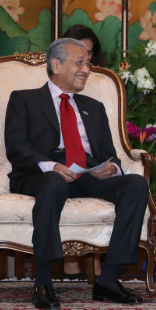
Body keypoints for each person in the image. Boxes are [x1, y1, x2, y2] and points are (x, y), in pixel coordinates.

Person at [5, 37, 148, 309]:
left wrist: (111, 167)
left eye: (88, 63)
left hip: (87, 174)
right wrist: (52, 166)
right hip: (43, 174)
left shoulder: (93, 107)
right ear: (55, 65)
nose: (86, 69)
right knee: (53, 183)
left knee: (136, 184)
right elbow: (17, 148)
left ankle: (108, 280)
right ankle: (43, 282)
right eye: (79, 62)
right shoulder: (23, 100)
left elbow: (109, 152)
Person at [61, 25, 104, 278]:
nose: (84, 61)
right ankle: (70, 254)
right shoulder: (52, 86)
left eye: (88, 54)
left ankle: (95, 254)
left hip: (90, 160)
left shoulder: (101, 85)